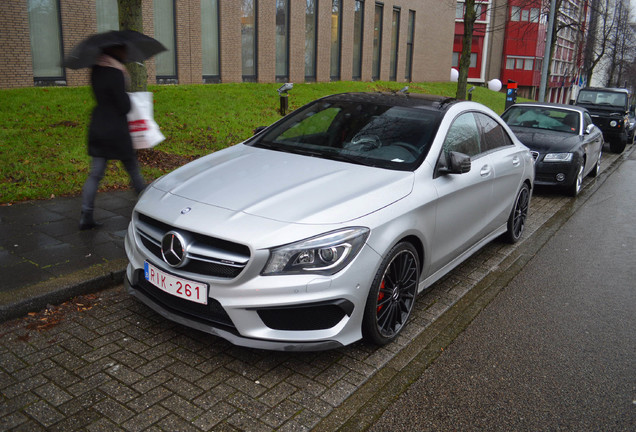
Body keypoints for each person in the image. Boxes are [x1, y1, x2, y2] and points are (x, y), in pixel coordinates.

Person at [80, 44, 145, 230]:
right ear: (115, 51)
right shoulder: (116, 72)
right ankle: (149, 208)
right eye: (123, 50)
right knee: (133, 169)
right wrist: (125, 83)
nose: (126, 52)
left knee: (95, 174)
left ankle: (86, 215)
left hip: (98, 125)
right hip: (116, 129)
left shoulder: (95, 70)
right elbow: (124, 106)